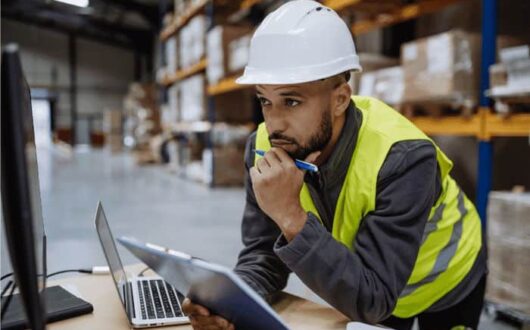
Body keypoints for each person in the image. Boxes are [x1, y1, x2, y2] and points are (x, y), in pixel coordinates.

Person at [182, 1, 486, 329]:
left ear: (340, 98)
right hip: (370, 283)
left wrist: (292, 218)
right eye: (265, 101)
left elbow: (374, 301)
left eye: (292, 101)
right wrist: (232, 300)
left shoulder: (403, 159)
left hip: (446, 281)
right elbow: (262, 255)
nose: (274, 124)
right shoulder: (261, 148)